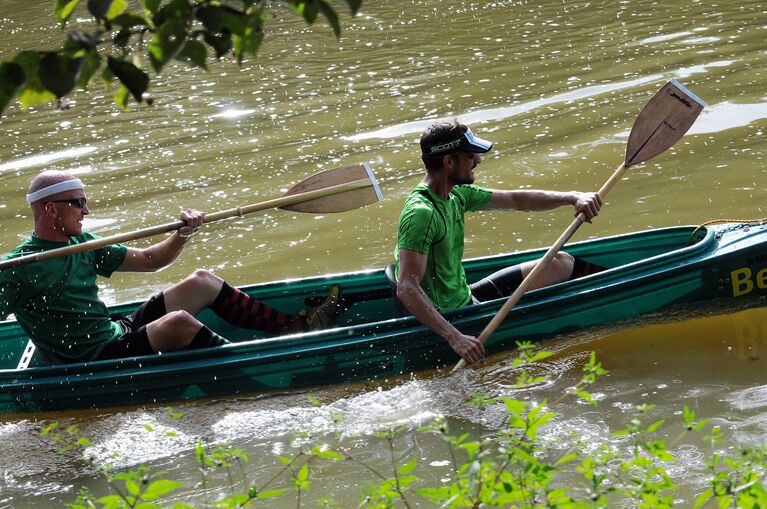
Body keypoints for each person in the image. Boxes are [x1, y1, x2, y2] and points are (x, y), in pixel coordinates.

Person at [0, 170, 343, 364]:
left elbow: (152, 261)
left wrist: (183, 234)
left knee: (203, 282)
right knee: (179, 324)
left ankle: (295, 328)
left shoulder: (83, 243)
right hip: (92, 356)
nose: (86, 211)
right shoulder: (18, 267)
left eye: (85, 202)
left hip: (112, 331)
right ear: (48, 210)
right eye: (77, 203)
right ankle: (254, 364)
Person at [394, 120, 604, 365]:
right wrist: (455, 338)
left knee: (562, 263)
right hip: (452, 318)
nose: (478, 161)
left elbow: (517, 200)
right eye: (471, 155)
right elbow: (407, 287)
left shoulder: (457, 195)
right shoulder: (421, 213)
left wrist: (572, 197)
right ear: (449, 161)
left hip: (464, 297)